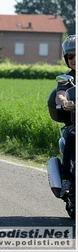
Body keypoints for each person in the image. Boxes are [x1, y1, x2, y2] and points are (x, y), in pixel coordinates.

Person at [55, 34, 76, 198]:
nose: (74, 59)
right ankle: (67, 180)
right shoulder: (66, 79)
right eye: (70, 56)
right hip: (74, 123)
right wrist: (65, 102)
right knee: (73, 136)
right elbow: (60, 95)